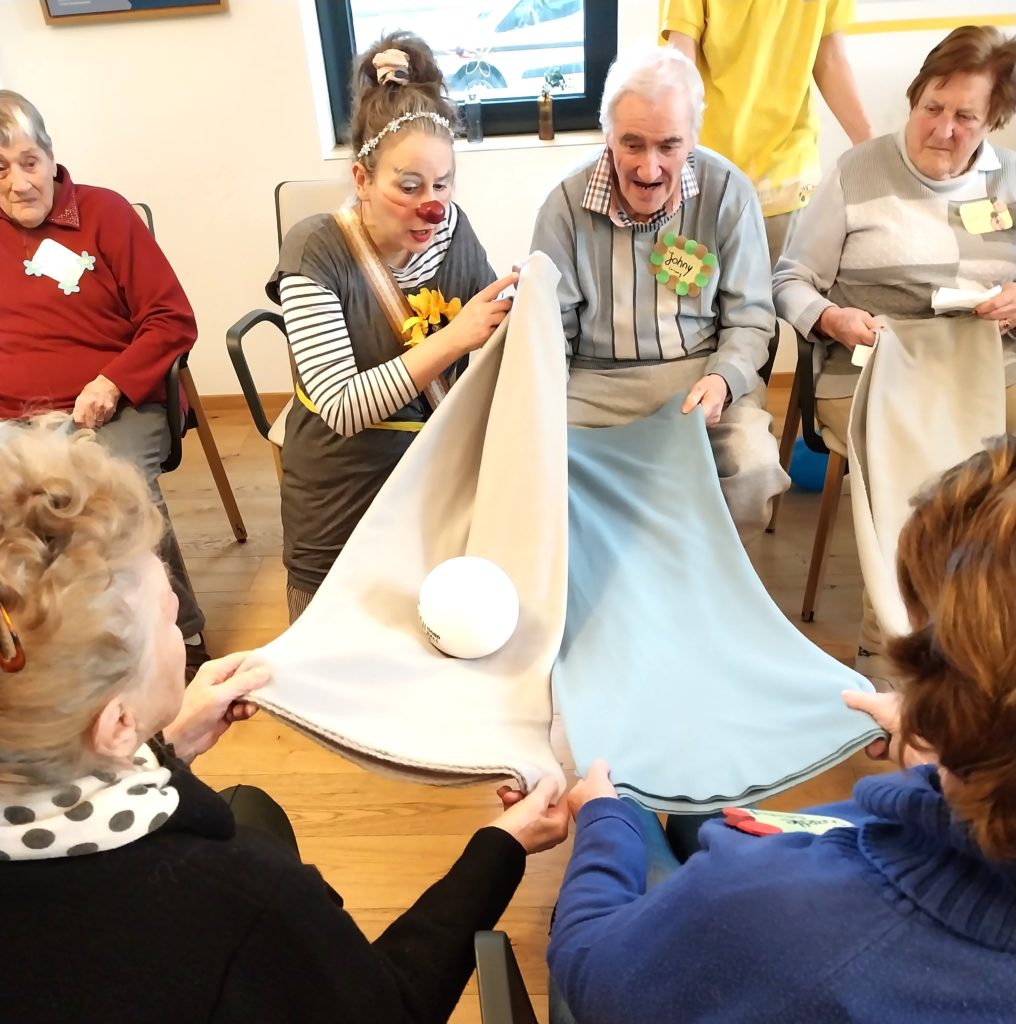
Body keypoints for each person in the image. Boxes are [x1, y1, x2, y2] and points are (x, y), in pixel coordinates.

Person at [0, 414, 570, 1024]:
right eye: (167, 617)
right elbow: (391, 1008)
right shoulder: (245, 902)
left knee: (253, 806)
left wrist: (163, 745)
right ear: (113, 723)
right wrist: (502, 847)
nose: (174, 599)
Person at [547, 433, 1016, 1024]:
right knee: (706, 824)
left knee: (640, 821)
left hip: (679, 953)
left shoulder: (777, 910)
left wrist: (605, 822)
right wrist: (942, 753)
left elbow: (589, 964)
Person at [773, 24, 1016, 679]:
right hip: (873, 363)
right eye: (930, 107)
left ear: (994, 118)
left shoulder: (1007, 180)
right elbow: (790, 280)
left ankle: (989, 641)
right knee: (934, 475)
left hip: (990, 364)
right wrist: (830, 317)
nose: (941, 127)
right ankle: (895, 652)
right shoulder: (859, 170)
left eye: (964, 116)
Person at [267, 32, 516, 623]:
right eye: (408, 187)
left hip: (436, 483)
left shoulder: (452, 227)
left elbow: (483, 356)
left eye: (442, 184)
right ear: (361, 179)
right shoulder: (315, 249)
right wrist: (456, 337)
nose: (431, 206)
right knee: (333, 646)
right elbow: (343, 407)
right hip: (343, 492)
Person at [531, 45, 789, 540]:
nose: (649, 170)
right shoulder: (563, 205)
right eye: (631, 144)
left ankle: (707, 586)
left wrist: (723, 383)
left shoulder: (730, 193)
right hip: (591, 382)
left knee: (753, 465)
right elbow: (550, 330)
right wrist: (541, 411)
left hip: (699, 377)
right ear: (607, 134)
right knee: (536, 469)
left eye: (668, 146)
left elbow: (752, 317)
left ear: (693, 136)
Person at [0, 90, 209, 678]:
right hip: (12, 416)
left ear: (50, 155)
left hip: (116, 404)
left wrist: (113, 381)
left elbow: (172, 318)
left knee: (111, 489)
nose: (18, 183)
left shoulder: (104, 213)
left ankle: (177, 631)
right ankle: (43, 644)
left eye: (28, 162)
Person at [662, 0, 873, 266]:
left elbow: (829, 58)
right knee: (704, 295)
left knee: (780, 297)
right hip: (712, 175)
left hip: (785, 177)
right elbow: (682, 65)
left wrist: (870, 148)